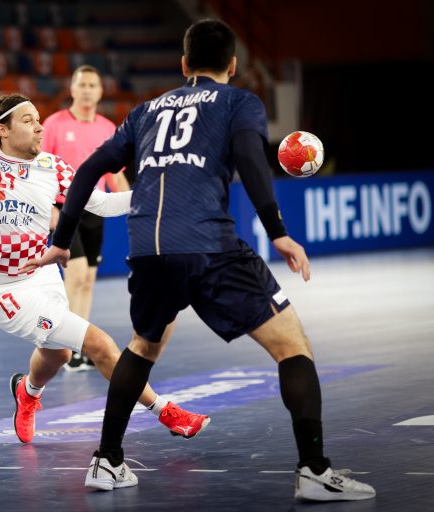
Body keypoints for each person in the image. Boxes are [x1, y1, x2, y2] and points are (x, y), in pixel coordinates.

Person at [24, 20, 376, 501]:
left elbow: (87, 170)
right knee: (293, 347)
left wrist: (62, 239)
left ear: (184, 64)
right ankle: (314, 470)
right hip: (207, 244)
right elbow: (251, 159)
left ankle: (106, 461)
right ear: (233, 64)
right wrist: (278, 232)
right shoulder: (239, 102)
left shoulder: (145, 111)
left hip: (147, 249)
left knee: (142, 348)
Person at [0, 93, 209, 445]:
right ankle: (166, 412)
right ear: (3, 130)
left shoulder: (52, 166)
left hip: (43, 275)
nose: (39, 127)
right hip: (4, 291)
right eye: (28, 120)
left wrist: (156, 194)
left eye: (38, 119)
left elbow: (101, 204)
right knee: (99, 344)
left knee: (58, 352)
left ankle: (27, 392)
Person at [42, 65, 130, 371]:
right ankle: (66, 347)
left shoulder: (108, 128)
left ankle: (80, 346)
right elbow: (39, 169)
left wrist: (135, 206)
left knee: (88, 279)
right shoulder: (54, 125)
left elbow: (116, 175)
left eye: (93, 85)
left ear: (101, 91)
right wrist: (49, 208)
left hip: (96, 209)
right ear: (72, 89)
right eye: (83, 85)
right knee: (76, 273)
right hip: (65, 209)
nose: (88, 90)